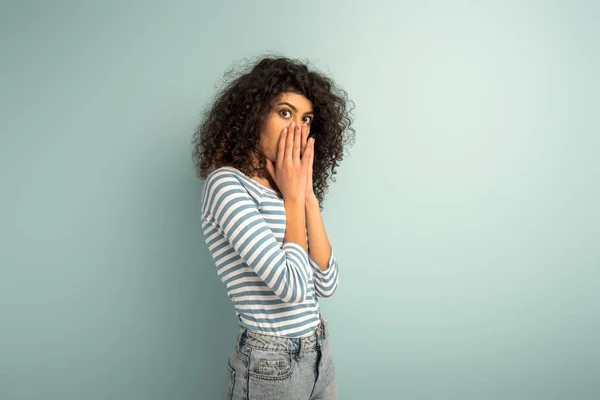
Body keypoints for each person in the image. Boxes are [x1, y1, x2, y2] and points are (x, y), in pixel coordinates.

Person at [192, 55, 355, 399]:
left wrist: (307, 195)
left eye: (306, 118)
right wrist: (295, 200)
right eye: (285, 112)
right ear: (253, 117)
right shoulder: (227, 186)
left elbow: (327, 282)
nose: (297, 128)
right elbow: (293, 287)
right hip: (270, 366)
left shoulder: (287, 191)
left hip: (318, 353)